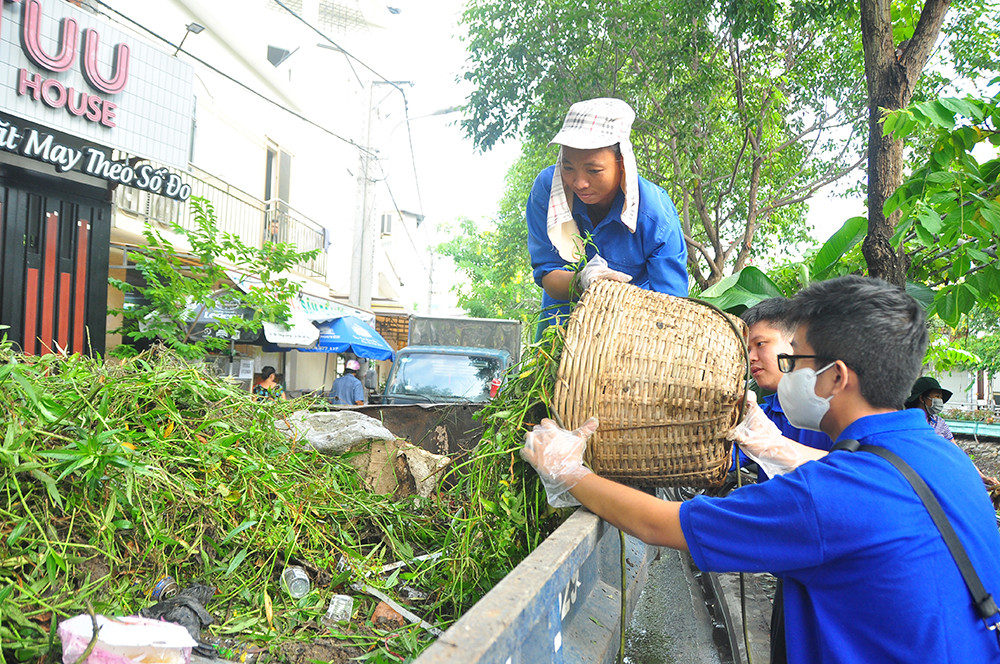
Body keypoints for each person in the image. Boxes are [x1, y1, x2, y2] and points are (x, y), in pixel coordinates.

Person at [522, 276, 1000, 663]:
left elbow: (659, 523)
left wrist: (567, 470)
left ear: (835, 376)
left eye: (794, 360)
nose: (784, 371)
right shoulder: (948, 460)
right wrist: (774, 448)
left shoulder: (826, 495)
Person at [526, 98, 688, 335]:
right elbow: (549, 274)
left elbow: (671, 307)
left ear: (622, 162)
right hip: (560, 337)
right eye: (568, 167)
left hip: (629, 340)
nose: (579, 183)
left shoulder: (656, 216)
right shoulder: (547, 192)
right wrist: (581, 281)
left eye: (594, 170)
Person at [739, 297, 832, 664]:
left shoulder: (828, 411)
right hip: (793, 570)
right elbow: (722, 461)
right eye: (747, 349)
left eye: (761, 344)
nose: (752, 357)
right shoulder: (760, 414)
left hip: (833, 570)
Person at [906, 376, 998, 486]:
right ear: (922, 398)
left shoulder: (939, 423)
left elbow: (958, 452)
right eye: (937, 396)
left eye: (940, 397)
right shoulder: (906, 422)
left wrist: (982, 477)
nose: (940, 400)